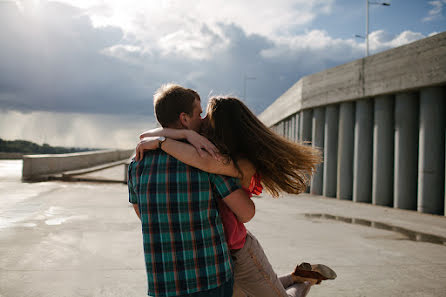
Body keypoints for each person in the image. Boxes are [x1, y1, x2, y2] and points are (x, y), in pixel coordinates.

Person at [135, 95, 337, 297]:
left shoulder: (230, 161)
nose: (203, 119)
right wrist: (181, 135)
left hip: (238, 251)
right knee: (259, 287)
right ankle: (295, 277)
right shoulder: (208, 152)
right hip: (218, 257)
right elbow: (145, 136)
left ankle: (305, 280)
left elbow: (207, 166)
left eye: (207, 117)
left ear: (222, 127)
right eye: (201, 114)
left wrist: (163, 142)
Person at [128, 85, 256, 297]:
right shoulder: (205, 159)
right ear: (184, 119)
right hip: (211, 278)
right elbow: (246, 212)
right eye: (199, 113)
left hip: (163, 282)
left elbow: (142, 214)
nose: (204, 119)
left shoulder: (137, 164)